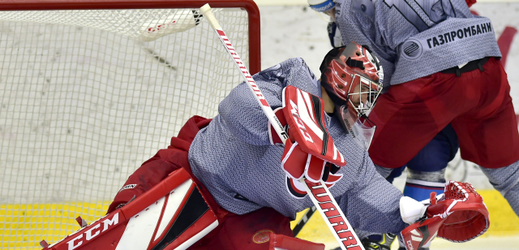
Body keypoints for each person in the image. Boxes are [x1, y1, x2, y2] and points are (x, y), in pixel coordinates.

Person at [106, 42, 489, 250]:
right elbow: (238, 108)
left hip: (251, 215)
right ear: (338, 76)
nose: (367, 102)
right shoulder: (287, 82)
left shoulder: (350, 148)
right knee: (115, 240)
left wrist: (415, 214)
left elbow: (366, 195)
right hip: (190, 175)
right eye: (363, 90)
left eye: (371, 94)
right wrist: (289, 124)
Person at [308, 0, 519, 250]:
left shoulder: (350, 8)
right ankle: (413, 243)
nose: (330, 15)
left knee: (365, 163)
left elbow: (372, 73)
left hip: (434, 80)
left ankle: (371, 240)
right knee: (509, 174)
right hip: (487, 66)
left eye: (327, 9)